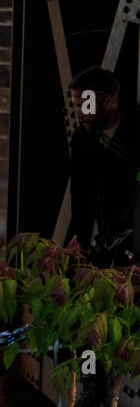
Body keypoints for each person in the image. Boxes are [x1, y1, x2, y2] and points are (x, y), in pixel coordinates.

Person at [66, 67, 139, 268]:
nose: (80, 113)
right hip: (108, 242)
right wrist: (80, 248)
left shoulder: (135, 130)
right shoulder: (83, 139)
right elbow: (81, 198)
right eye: (76, 106)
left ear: (110, 100)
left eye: (86, 105)